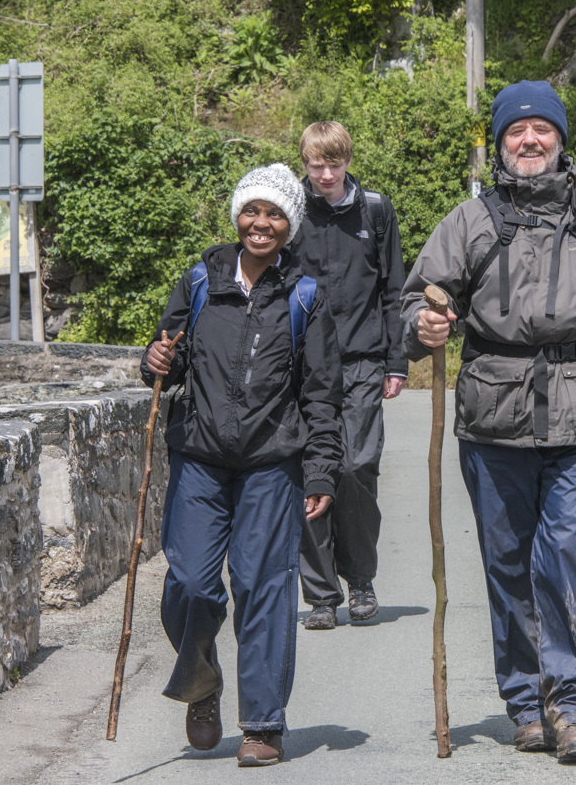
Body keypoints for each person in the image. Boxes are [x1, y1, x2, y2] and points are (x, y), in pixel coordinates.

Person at [403, 80, 576, 761]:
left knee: (573, 554)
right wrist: (424, 325)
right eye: (515, 131)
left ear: (560, 139)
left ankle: (575, 704)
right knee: (508, 563)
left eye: (541, 130)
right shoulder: (469, 222)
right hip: (494, 417)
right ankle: (526, 701)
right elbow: (413, 302)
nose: (530, 140)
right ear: (500, 144)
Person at [140, 164, 344, 766]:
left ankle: (262, 723)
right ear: (237, 215)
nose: (262, 224)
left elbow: (321, 393)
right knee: (190, 584)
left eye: (275, 214)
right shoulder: (200, 281)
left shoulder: (305, 295)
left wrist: (322, 470)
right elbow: (166, 362)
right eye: (253, 211)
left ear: (290, 225)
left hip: (271, 464)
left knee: (263, 587)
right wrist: (153, 360)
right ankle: (202, 685)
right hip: (200, 459)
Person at [292, 121, 408, 631]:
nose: (324, 175)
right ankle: (320, 595)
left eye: (333, 165)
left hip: (363, 361)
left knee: (358, 468)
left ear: (347, 161)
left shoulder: (375, 211)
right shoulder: (290, 212)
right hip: (300, 365)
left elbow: (393, 289)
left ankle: (360, 580)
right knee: (311, 473)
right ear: (305, 163)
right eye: (316, 165)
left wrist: (397, 361)